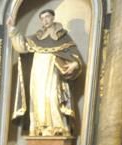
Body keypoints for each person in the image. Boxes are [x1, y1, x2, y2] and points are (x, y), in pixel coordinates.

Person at [7, 10, 84, 138]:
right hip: (37, 73)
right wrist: (12, 29)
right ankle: (40, 128)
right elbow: (21, 46)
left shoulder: (62, 37)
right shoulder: (37, 37)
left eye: (47, 17)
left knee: (52, 96)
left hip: (52, 72)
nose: (45, 20)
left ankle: (57, 127)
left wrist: (75, 64)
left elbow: (74, 54)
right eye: (42, 18)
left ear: (53, 17)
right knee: (38, 99)